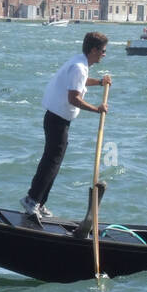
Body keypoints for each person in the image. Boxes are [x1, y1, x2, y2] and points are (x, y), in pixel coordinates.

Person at [22, 31, 111, 218]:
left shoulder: (80, 63)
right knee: (51, 162)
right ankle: (32, 200)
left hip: (58, 118)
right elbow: (74, 98)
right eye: (103, 51)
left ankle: (39, 201)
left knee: (54, 161)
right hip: (57, 119)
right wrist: (97, 109)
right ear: (94, 50)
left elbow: (80, 83)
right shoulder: (79, 66)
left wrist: (101, 82)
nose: (104, 54)